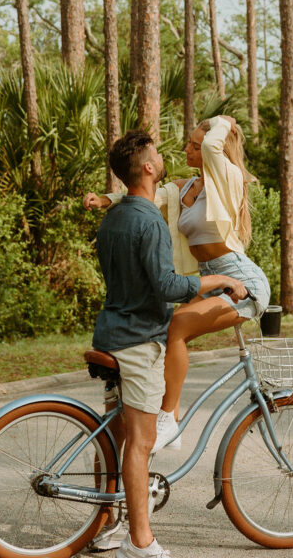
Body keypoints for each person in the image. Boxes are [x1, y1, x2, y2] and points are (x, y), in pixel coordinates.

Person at [91, 128, 247, 558]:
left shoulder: (114, 220)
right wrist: (219, 281)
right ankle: (141, 543)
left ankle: (112, 523)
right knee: (139, 445)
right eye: (156, 154)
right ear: (146, 167)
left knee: (117, 438)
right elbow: (169, 286)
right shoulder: (149, 222)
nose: (162, 158)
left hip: (110, 333)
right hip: (138, 342)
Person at [84, 115, 271, 454]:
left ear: (214, 149)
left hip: (241, 282)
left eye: (196, 146)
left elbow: (216, 144)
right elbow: (143, 196)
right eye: (188, 142)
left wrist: (221, 121)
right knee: (168, 328)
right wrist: (105, 200)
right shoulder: (185, 187)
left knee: (176, 327)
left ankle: (168, 418)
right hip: (210, 280)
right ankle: (163, 417)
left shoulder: (227, 179)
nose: (187, 149)